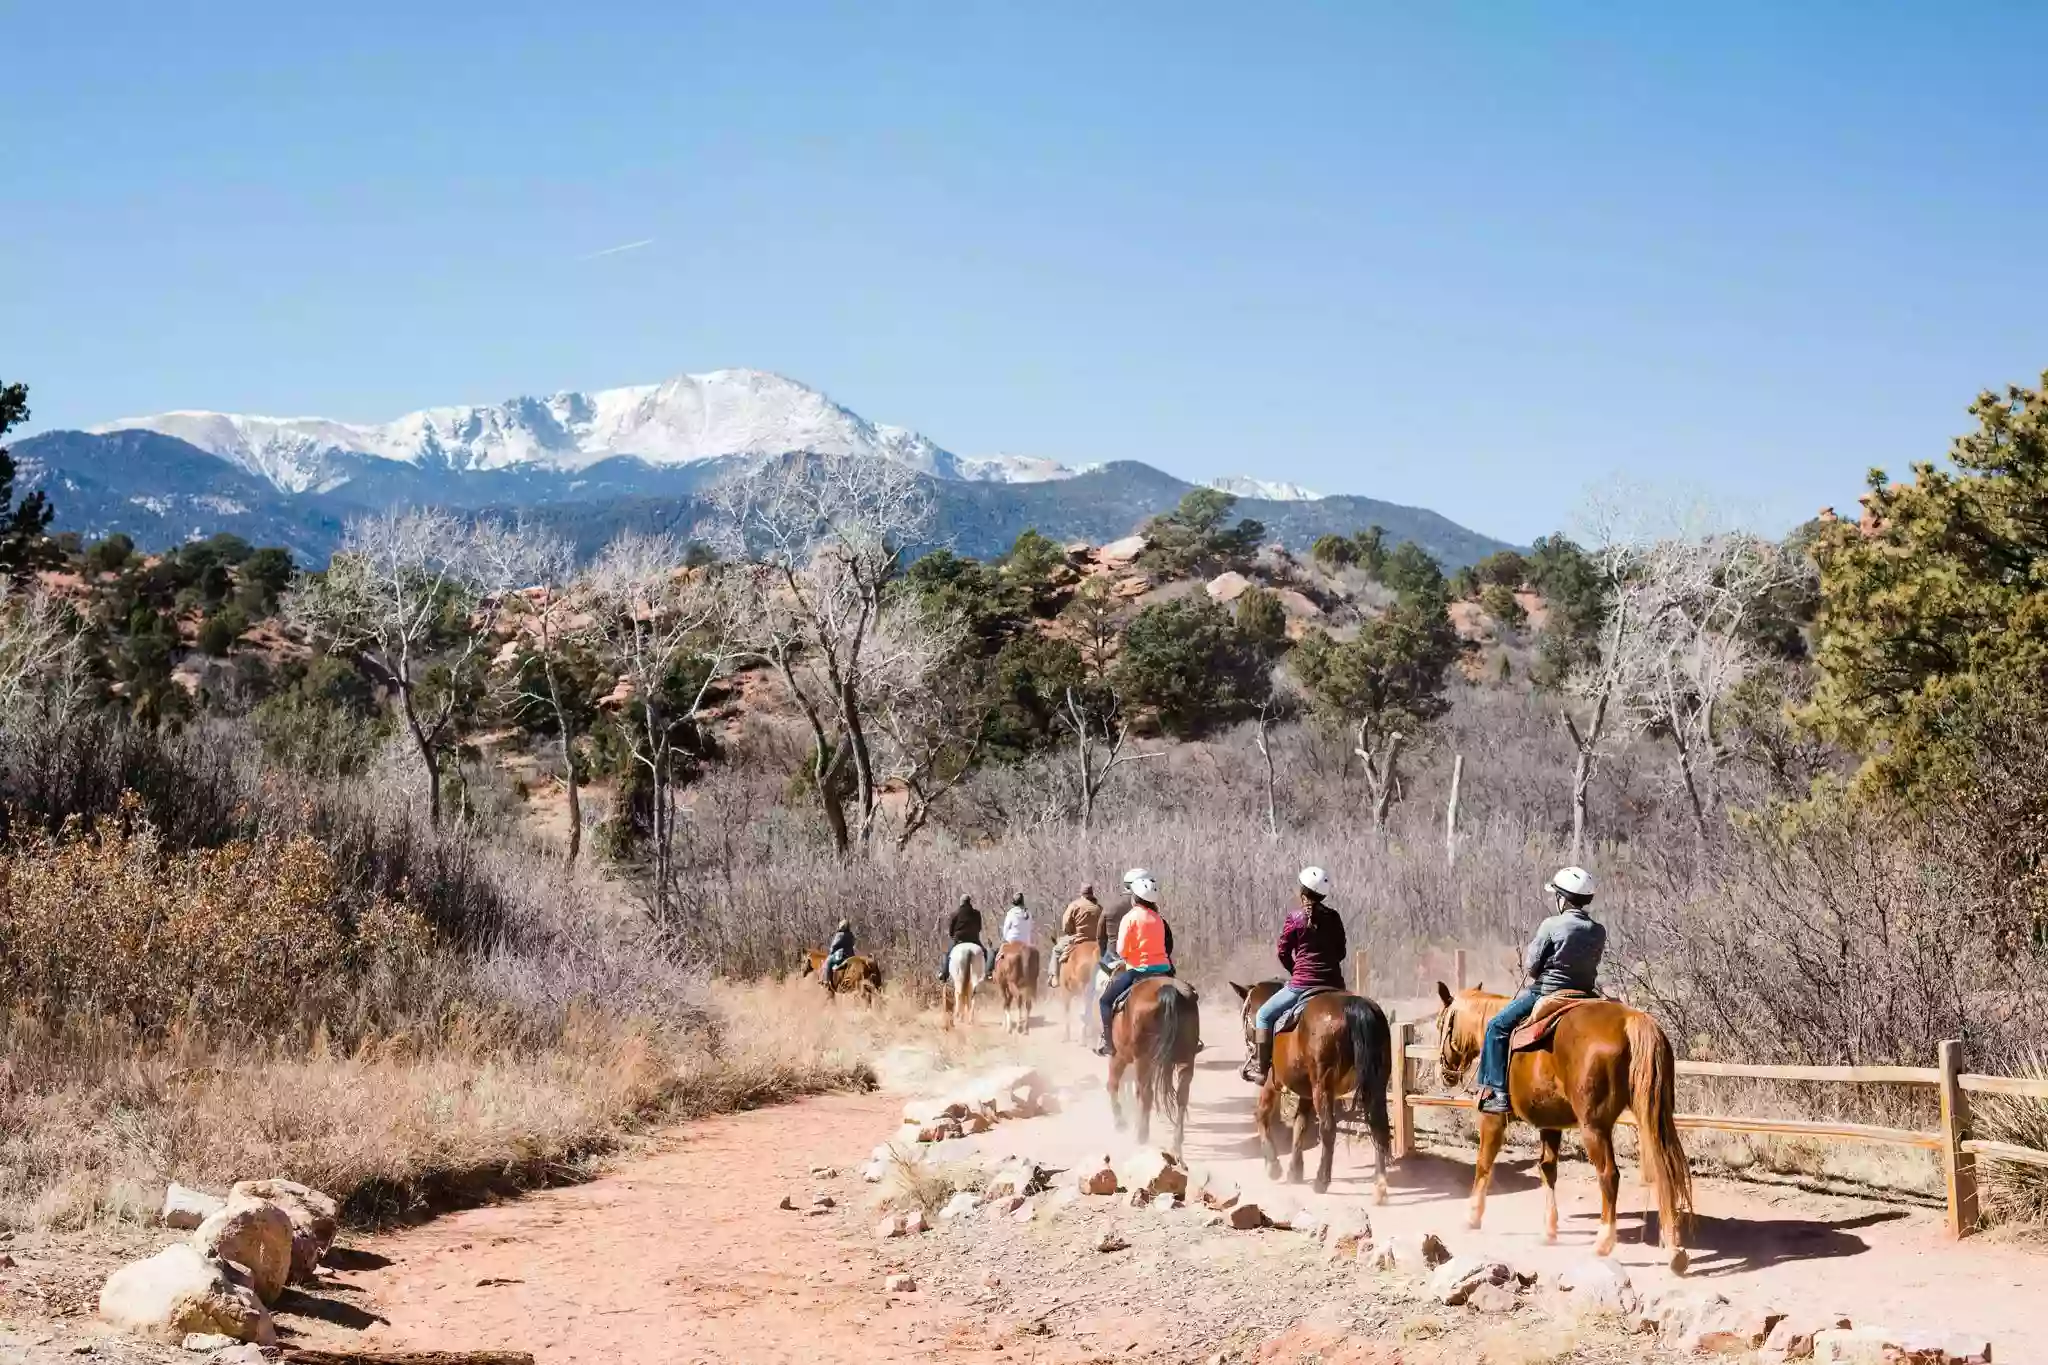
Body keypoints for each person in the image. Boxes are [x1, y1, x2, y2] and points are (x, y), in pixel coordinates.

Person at [1477, 866, 1604, 1115]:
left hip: (1548, 992)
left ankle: (1498, 1093)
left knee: (1496, 1026)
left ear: (1563, 899)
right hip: (1586, 993)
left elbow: (1532, 966)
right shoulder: (1598, 929)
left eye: (1556, 895)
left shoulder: (1551, 924)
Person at [1243, 867, 1347, 1083]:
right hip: (1334, 984)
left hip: (1301, 984)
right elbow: (1341, 952)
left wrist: (1296, 970)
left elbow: (1282, 951)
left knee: (1263, 1015)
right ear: (1324, 895)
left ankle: (1262, 1070)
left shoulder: (1295, 918)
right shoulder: (1334, 917)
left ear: (1302, 892)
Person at [1095, 875, 1174, 1056]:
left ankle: (1108, 1043)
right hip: (1164, 971)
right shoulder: (1159, 919)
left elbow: (1122, 950)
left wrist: (1131, 956)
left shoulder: (1130, 918)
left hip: (1139, 971)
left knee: (1105, 1001)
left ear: (1135, 898)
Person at [1048, 884, 1103, 986]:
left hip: (1078, 938)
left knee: (1056, 950)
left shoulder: (1075, 905)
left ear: (1081, 893)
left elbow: (1065, 925)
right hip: (1096, 941)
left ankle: (1055, 977)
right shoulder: (1098, 908)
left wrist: (1070, 931)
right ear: (1091, 893)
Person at [939, 895, 986, 982]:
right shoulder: (976, 913)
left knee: (947, 954)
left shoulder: (955, 914)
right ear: (969, 902)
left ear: (961, 902)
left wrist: (954, 936)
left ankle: (944, 973)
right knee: (985, 953)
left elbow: (951, 931)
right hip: (973, 939)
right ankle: (987, 972)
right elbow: (979, 928)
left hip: (958, 939)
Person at [822, 918, 856, 992]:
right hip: (851, 955)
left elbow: (833, 946)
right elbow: (853, 944)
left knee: (827, 962)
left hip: (841, 956)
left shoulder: (839, 935)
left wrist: (831, 953)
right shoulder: (851, 935)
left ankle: (826, 981)